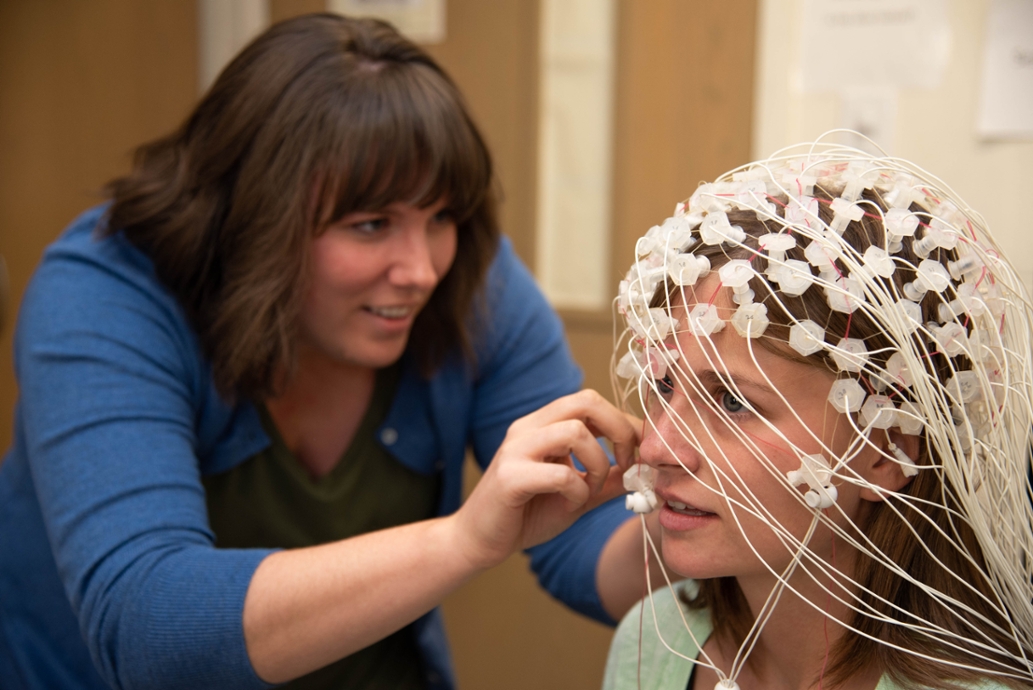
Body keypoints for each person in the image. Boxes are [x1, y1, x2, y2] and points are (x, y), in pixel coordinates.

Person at [0, 13, 651, 690]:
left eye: (440, 217)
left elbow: (578, 539)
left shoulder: (473, 285)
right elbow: (146, 625)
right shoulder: (107, 293)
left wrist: (708, 519)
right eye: (369, 225)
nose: (420, 269)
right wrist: (461, 540)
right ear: (256, 217)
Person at [603, 139, 1033, 689]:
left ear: (886, 453)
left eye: (733, 402)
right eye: (662, 387)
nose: (659, 448)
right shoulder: (649, 641)